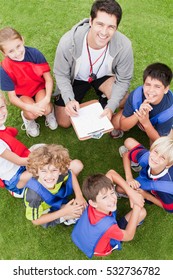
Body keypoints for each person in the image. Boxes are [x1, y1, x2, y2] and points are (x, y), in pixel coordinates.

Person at [53, 0, 134, 138]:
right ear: (91, 21)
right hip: (76, 78)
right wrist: (68, 99)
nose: (104, 32)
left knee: (123, 100)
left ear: (116, 28)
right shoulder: (68, 42)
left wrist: (111, 106)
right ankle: (98, 100)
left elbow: (124, 79)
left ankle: (105, 102)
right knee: (63, 121)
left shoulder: (124, 45)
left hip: (104, 76)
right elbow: (61, 74)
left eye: (111, 27)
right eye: (100, 24)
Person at [72, 170, 146, 258]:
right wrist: (137, 206)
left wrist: (131, 193)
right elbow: (129, 236)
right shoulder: (108, 227)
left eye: (112, 193)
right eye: (104, 197)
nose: (112, 199)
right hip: (103, 246)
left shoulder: (94, 204)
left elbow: (111, 173)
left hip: (85, 233)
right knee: (142, 212)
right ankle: (135, 222)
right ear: (93, 203)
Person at [0, 27, 57, 137]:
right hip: (23, 94)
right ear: (4, 53)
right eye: (11, 51)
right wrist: (30, 108)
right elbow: (12, 98)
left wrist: (46, 98)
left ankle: (50, 113)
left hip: (39, 88)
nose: (17, 53)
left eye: (18, 46)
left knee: (46, 109)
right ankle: (28, 120)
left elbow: (48, 79)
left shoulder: (35, 54)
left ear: (22, 40)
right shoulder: (4, 69)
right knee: (32, 114)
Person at [24, 144, 87, 228]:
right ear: (36, 172)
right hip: (45, 210)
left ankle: (67, 211)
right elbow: (36, 220)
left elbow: (71, 173)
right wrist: (64, 212)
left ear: (60, 170)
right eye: (44, 171)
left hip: (56, 197)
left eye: (54, 170)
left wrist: (79, 196)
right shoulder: (34, 197)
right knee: (77, 212)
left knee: (79, 209)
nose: (49, 176)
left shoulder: (60, 173)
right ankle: (65, 219)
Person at [112, 62, 173, 144]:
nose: (151, 90)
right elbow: (123, 126)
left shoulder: (169, 110)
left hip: (158, 126)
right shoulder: (136, 95)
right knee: (115, 123)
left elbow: (158, 141)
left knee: (159, 146)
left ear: (166, 89)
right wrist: (139, 114)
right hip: (139, 115)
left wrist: (146, 123)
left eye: (157, 86)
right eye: (148, 84)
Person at [118, 136, 173, 213]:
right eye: (156, 151)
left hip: (153, 188)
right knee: (128, 142)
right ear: (151, 149)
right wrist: (129, 178)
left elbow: (170, 208)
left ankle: (132, 194)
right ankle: (136, 165)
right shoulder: (149, 158)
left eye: (162, 157)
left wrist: (146, 195)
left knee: (119, 188)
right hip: (151, 173)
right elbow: (126, 155)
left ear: (168, 164)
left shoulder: (164, 189)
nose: (155, 158)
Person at [0, 91, 32, 198]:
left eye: (1, 107)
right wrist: (41, 159)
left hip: (18, 165)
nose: (0, 113)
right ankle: (18, 190)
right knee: (44, 171)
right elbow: (19, 161)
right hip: (14, 177)